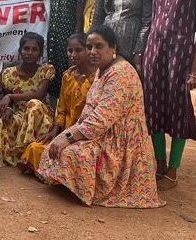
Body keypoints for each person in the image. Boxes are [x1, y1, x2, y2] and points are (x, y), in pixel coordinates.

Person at [37, 26, 164, 209]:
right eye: (89, 47)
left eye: (99, 46)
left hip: (120, 141)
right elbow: (90, 113)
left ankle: (91, 188)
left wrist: (69, 137)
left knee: (71, 154)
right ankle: (76, 185)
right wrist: (65, 135)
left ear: (113, 49)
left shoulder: (121, 73)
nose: (92, 52)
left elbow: (101, 119)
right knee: (52, 148)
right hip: (99, 132)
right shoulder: (102, 70)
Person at [143, 0, 196, 191]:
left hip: (181, 54)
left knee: (178, 109)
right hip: (155, 52)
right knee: (153, 106)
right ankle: (159, 164)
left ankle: (173, 171)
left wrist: (194, 69)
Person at [19, 33, 96, 172]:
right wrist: (55, 131)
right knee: (35, 148)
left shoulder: (97, 78)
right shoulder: (68, 76)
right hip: (66, 130)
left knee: (67, 156)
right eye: (70, 50)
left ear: (88, 50)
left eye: (78, 50)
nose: (73, 54)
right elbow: (62, 109)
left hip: (86, 134)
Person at [0, 32, 54, 166]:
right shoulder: (9, 73)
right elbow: (7, 99)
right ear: (20, 50)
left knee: (33, 104)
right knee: (2, 116)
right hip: (19, 113)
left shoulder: (45, 70)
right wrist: (8, 107)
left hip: (40, 115)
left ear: (40, 52)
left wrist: (11, 96)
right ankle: (0, 157)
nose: (29, 53)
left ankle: (26, 151)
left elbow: (39, 95)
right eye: (26, 48)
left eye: (34, 49)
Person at [46, 0, 86, 96]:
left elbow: (79, 18)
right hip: (52, 40)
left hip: (67, 40)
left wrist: (74, 42)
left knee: (67, 74)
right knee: (51, 73)